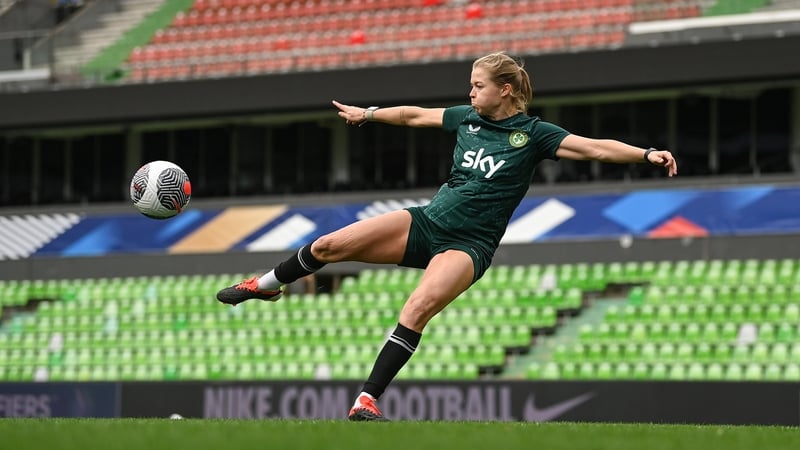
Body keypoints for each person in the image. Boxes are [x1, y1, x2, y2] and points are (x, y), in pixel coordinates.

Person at [216, 52, 677, 421]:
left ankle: (366, 401)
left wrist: (647, 153)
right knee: (328, 246)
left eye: (477, 85)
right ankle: (265, 286)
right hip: (427, 223)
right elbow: (415, 116)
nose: (470, 91)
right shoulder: (465, 118)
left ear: (505, 89)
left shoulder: (534, 135)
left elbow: (594, 147)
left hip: (469, 245)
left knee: (416, 309)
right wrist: (369, 114)